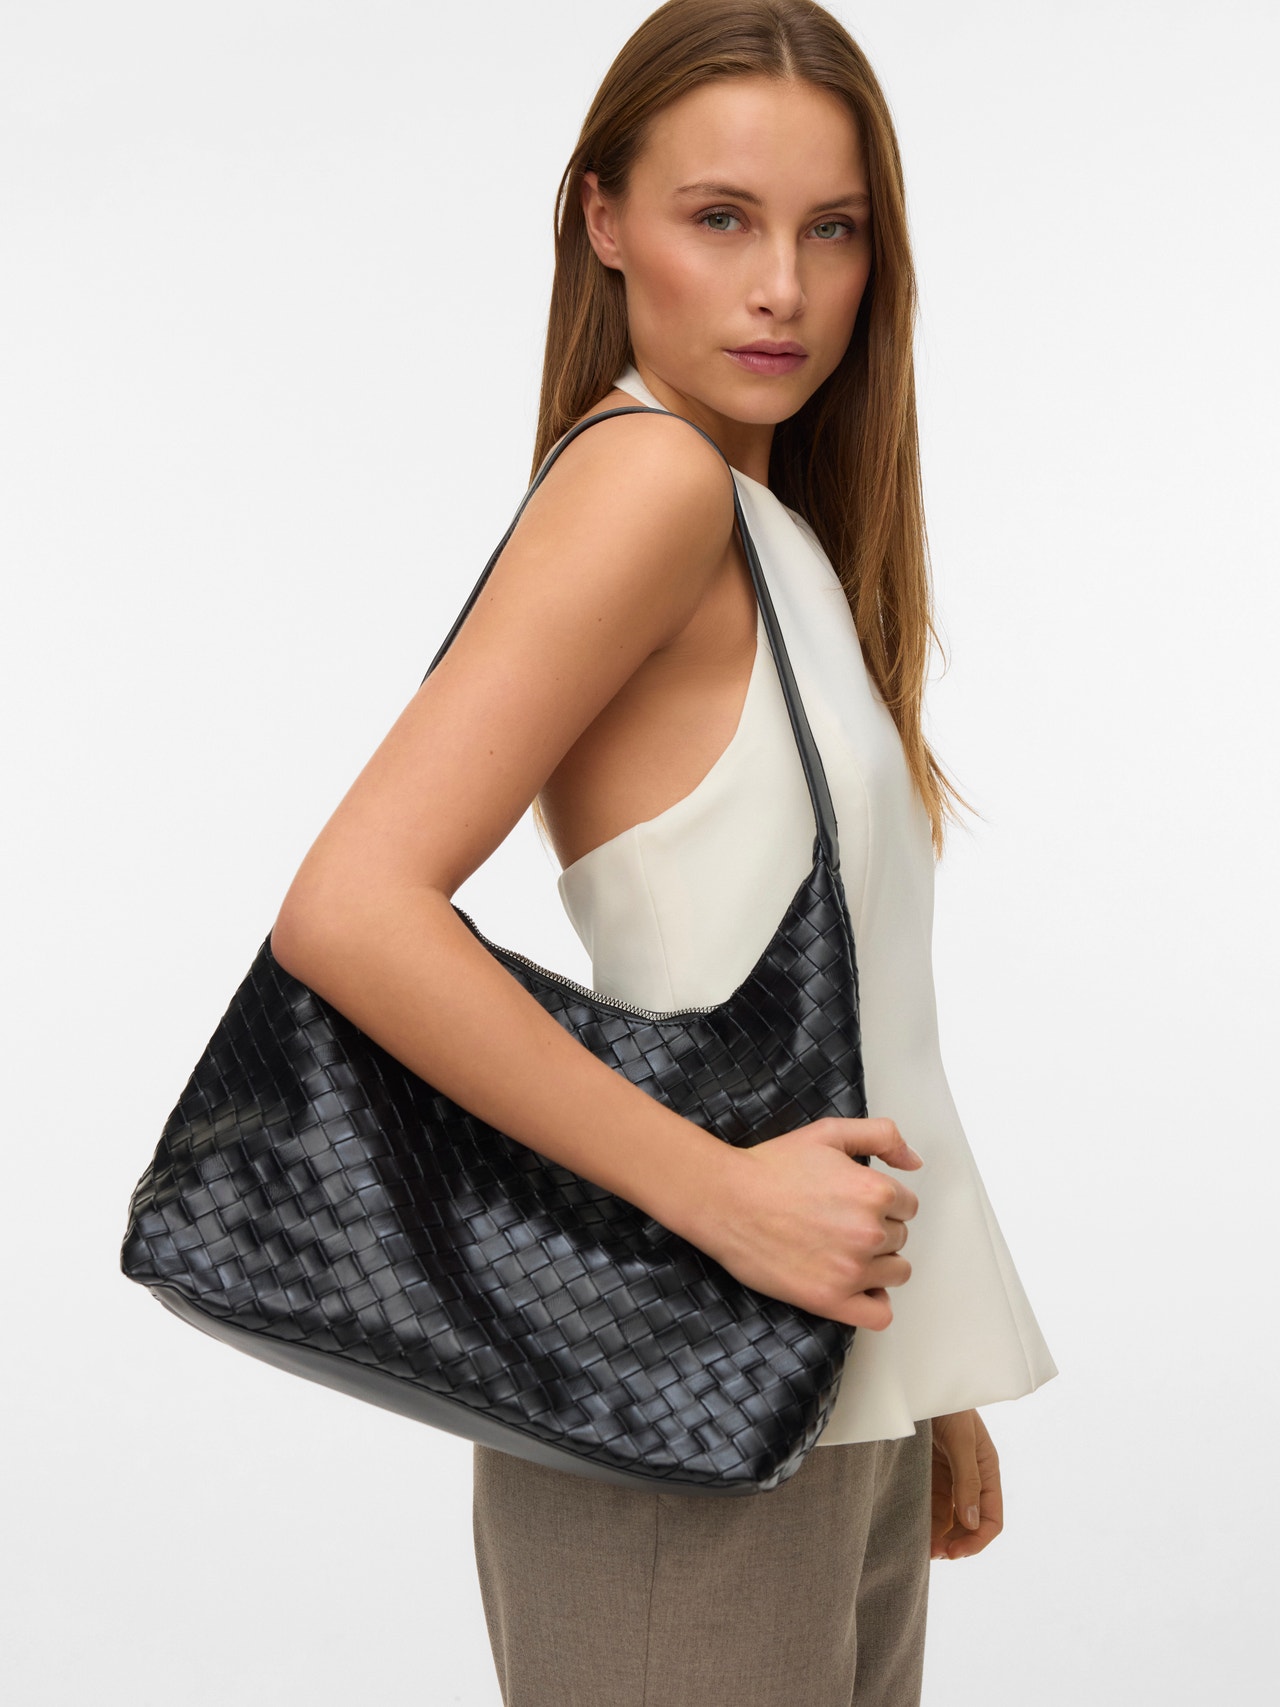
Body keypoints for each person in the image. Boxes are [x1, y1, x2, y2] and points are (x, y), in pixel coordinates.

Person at [270, 2, 1058, 1701]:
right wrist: (723, 1197)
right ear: (605, 219)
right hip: (684, 1374)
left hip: (823, 1372)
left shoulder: (768, 530)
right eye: (721, 217)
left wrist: (928, 1367)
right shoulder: (650, 487)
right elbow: (351, 910)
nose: (782, 287)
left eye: (831, 229)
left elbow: (854, 1010)